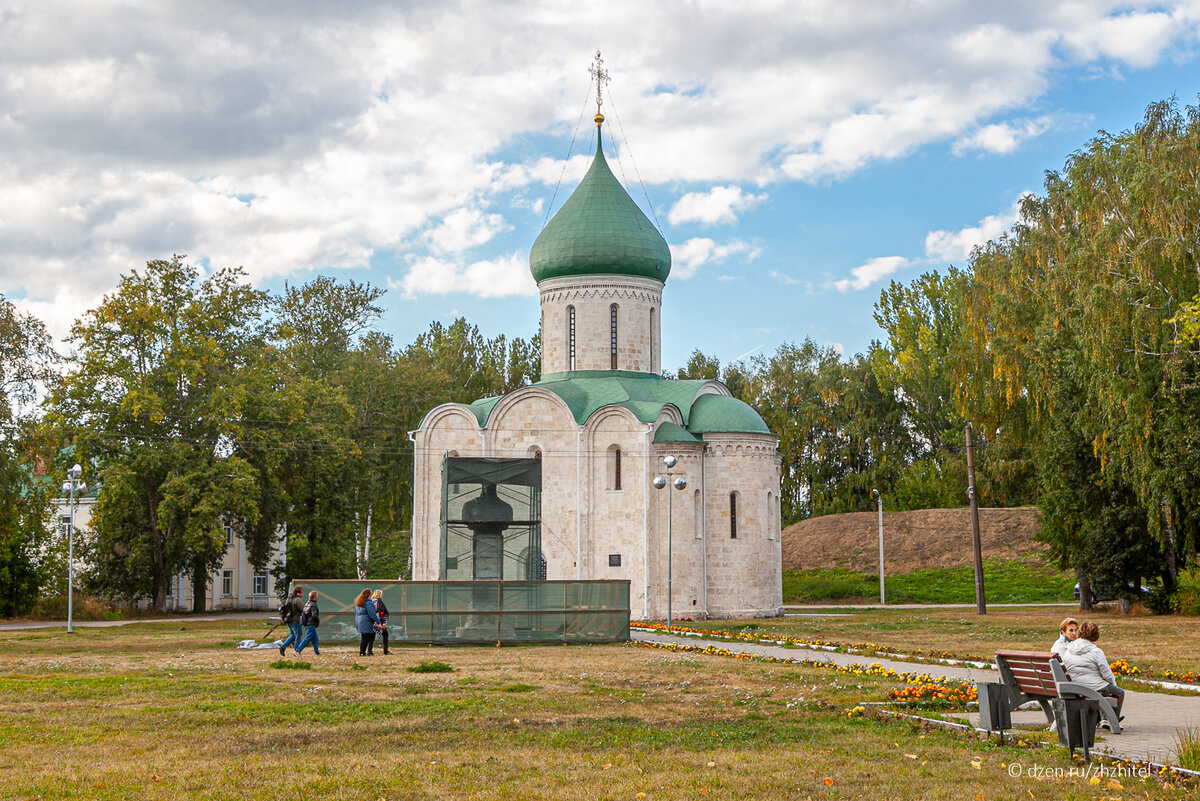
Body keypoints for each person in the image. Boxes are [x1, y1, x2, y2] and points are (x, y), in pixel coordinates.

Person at [1062, 621, 1126, 726]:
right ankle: (1113, 721)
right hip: (1093, 686)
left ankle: (1104, 719)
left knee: (1104, 688)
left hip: (1074, 686)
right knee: (1119, 692)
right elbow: (1106, 674)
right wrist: (1113, 683)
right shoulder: (1096, 651)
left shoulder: (1069, 649)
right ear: (1096, 635)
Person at [278, 584, 305, 656]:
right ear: (298, 593)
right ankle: (297, 651)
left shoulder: (289, 599)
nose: (302, 594)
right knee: (298, 636)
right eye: (302, 592)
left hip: (288, 620)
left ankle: (283, 647)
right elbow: (303, 609)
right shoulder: (298, 600)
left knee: (292, 636)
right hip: (295, 620)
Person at [295, 591, 321, 656]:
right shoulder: (313, 604)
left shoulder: (307, 603)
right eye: (317, 596)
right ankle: (297, 651)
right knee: (307, 638)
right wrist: (317, 621)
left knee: (315, 639)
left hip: (307, 624)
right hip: (311, 624)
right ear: (315, 597)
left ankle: (317, 652)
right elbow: (314, 615)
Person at [354, 587, 378, 656]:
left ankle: (362, 651)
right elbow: (372, 614)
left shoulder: (358, 603)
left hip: (359, 621)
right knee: (367, 637)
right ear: (369, 594)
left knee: (363, 637)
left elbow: (355, 613)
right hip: (366, 622)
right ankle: (362, 652)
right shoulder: (368, 603)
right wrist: (378, 621)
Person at [371, 589, 391, 655]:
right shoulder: (379, 602)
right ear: (380, 595)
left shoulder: (371, 602)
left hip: (371, 621)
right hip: (379, 621)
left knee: (372, 636)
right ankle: (385, 651)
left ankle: (369, 651)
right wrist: (383, 623)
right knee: (385, 635)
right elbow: (382, 613)